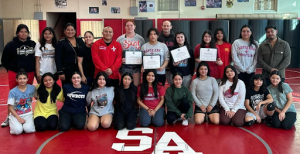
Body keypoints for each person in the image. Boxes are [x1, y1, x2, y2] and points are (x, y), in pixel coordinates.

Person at [1, 24, 36, 127]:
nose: (23, 34)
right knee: (13, 95)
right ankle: (9, 117)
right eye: (21, 32)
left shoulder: (33, 44)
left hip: (29, 72)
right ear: (17, 33)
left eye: (25, 32)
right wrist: (12, 69)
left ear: (28, 33)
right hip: (14, 73)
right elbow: (4, 60)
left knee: (27, 95)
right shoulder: (10, 45)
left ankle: (27, 115)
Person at [117, 19, 145, 86]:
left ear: (134, 26)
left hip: (136, 67)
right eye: (127, 26)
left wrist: (143, 64)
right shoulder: (120, 39)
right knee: (125, 86)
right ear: (125, 27)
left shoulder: (140, 39)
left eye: (131, 25)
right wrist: (120, 60)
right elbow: (117, 53)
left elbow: (143, 52)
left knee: (136, 86)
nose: (129, 27)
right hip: (124, 67)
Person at [7, 70, 36, 135]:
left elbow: (37, 97)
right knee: (17, 131)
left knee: (28, 130)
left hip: (28, 113)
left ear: (27, 79)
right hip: (16, 114)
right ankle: (11, 120)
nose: (22, 80)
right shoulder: (12, 91)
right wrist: (18, 117)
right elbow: (10, 107)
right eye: (20, 79)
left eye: (24, 78)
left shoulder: (32, 88)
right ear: (16, 80)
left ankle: (24, 125)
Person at [158, 20, 175, 85]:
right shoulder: (158, 38)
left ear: (171, 27)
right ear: (162, 27)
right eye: (164, 26)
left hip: (171, 66)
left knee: (172, 83)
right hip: (160, 65)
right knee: (160, 84)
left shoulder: (175, 38)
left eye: (167, 26)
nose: (166, 27)